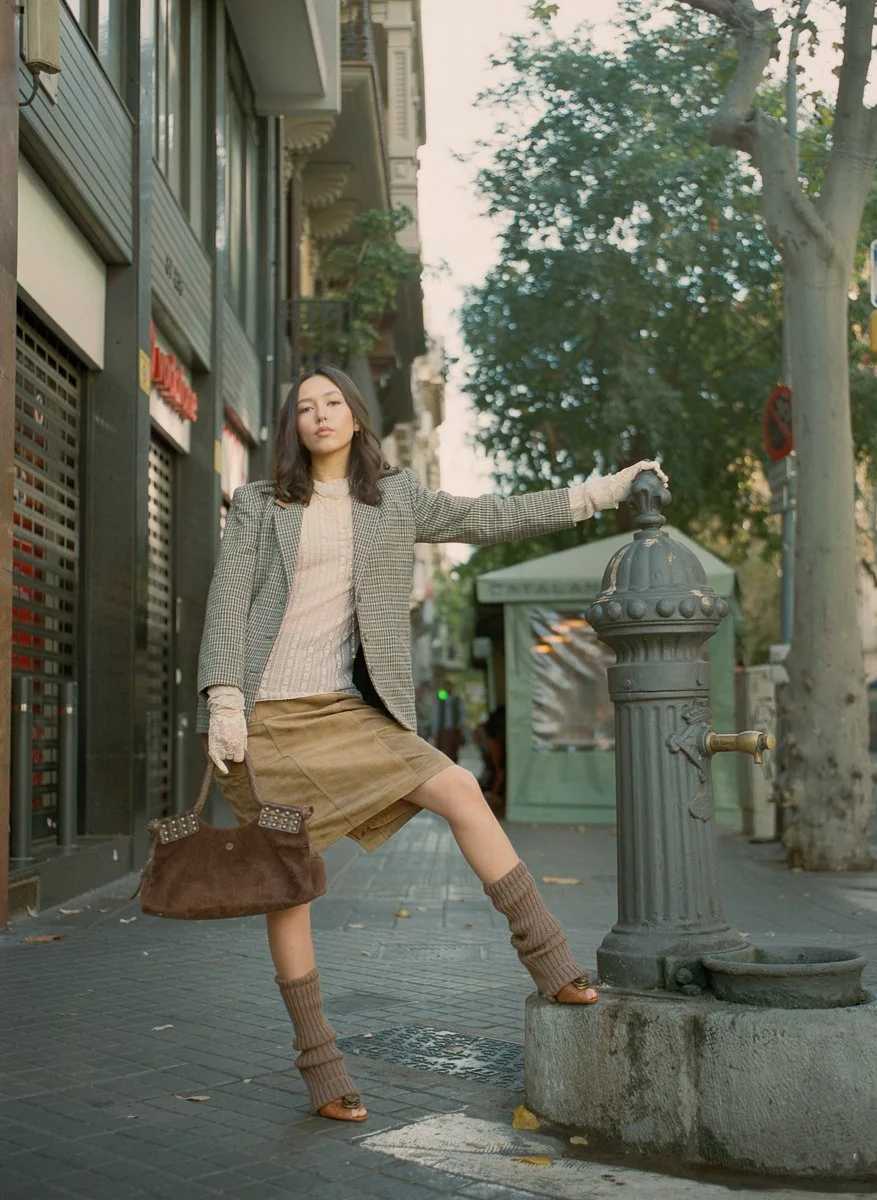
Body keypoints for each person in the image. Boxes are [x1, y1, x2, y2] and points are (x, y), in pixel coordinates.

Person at [196, 364, 667, 1124]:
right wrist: (223, 698)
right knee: (290, 885)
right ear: (293, 426)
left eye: (333, 402)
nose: (320, 415)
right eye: (305, 407)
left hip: (342, 709)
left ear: (355, 416)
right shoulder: (259, 504)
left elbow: (491, 517)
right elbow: (227, 602)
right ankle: (321, 1068)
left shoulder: (395, 498)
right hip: (264, 717)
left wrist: (600, 493)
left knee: (458, 787)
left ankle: (551, 961)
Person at [430, 679, 466, 762]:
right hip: (443, 730)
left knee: (454, 751)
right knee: (444, 750)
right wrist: (435, 731)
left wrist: (460, 724)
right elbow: (436, 714)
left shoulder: (457, 698)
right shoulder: (440, 698)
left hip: (454, 730)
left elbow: (463, 712)